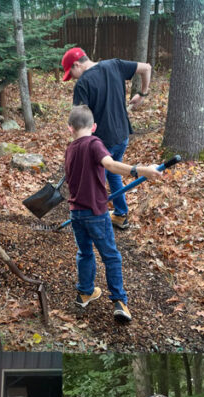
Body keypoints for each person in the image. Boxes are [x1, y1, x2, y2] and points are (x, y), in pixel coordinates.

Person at [65, 104, 163, 324]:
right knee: (111, 256)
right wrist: (142, 169)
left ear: (70, 128)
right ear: (94, 126)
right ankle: (119, 301)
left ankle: (85, 293)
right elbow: (109, 164)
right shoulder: (94, 143)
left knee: (85, 253)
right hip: (95, 213)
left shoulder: (70, 149)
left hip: (76, 213)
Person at [62, 47, 152, 230]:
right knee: (114, 173)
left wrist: (78, 145)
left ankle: (96, 220)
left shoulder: (83, 84)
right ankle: (120, 214)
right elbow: (147, 68)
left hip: (100, 143)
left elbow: (80, 120)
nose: (72, 78)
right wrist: (143, 93)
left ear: (77, 64)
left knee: (96, 181)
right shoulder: (115, 65)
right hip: (122, 135)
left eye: (71, 73)